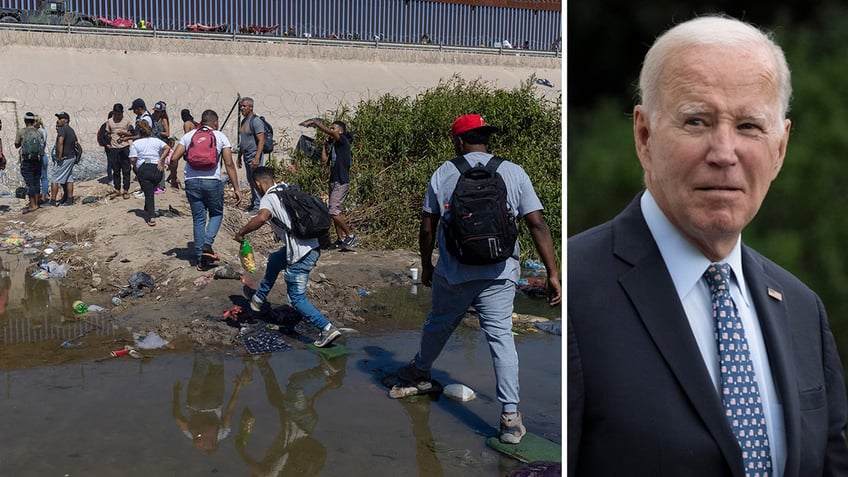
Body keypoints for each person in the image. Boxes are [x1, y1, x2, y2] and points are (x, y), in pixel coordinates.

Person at [567, 16, 848, 477]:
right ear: (644, 137)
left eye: (749, 126)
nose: (723, 152)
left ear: (780, 148)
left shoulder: (803, 310)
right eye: (696, 121)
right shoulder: (578, 293)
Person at [396, 113, 561, 445]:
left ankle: (420, 372)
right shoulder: (513, 172)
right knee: (501, 339)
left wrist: (427, 265)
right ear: (486, 138)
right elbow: (537, 224)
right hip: (500, 273)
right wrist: (553, 273)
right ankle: (511, 418)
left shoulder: (444, 173)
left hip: (454, 272)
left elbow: (428, 226)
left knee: (439, 322)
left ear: (458, 141)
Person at [233, 166, 342, 348]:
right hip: (310, 246)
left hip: (301, 255)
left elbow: (261, 218)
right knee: (276, 259)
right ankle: (259, 299)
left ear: (258, 184)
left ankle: (327, 328)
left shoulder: (268, 198)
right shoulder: (285, 188)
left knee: (297, 298)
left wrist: (241, 233)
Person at [168, 109, 242, 271]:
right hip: (212, 181)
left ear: (201, 121)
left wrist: (173, 177)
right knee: (216, 214)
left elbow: (174, 158)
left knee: (199, 219)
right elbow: (229, 163)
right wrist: (237, 188)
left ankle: (201, 259)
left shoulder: (189, 136)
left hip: (192, 182)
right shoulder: (220, 136)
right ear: (215, 122)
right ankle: (207, 244)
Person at [172, 348, 252, 453]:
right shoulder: (191, 435)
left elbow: (229, 412)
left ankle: (209, 348)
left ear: (216, 444)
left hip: (213, 402)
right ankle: (200, 346)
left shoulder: (221, 434)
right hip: (193, 403)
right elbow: (177, 417)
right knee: (199, 369)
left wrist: (237, 388)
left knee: (217, 368)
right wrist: (176, 392)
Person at [301, 118, 357, 249]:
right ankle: (340, 238)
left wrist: (315, 123)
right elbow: (324, 161)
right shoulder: (335, 146)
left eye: (333, 128)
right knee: (334, 211)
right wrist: (325, 146)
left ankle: (350, 236)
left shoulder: (343, 141)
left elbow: (331, 133)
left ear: (341, 131)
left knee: (333, 211)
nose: (331, 131)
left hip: (341, 181)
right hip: (333, 180)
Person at [129, 121, 169, 226]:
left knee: (149, 193)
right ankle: (147, 208)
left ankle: (151, 217)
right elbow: (167, 148)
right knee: (149, 190)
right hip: (157, 169)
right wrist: (160, 160)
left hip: (144, 169)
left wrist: (135, 166)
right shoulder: (157, 141)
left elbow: (133, 159)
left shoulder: (135, 143)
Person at [237, 97, 266, 215]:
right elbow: (242, 140)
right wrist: (239, 156)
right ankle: (254, 203)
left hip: (254, 155)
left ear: (251, 107)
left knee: (256, 181)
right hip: (246, 155)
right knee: (251, 180)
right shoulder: (244, 121)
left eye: (244, 106)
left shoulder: (256, 121)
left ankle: (258, 206)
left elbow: (261, 140)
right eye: (241, 106)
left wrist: (257, 158)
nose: (242, 108)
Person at [14, 112, 44, 212]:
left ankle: (32, 205)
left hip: (26, 161)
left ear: (25, 121)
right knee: (36, 182)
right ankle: (36, 203)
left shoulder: (21, 132)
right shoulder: (39, 132)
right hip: (38, 160)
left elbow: (16, 145)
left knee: (30, 183)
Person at [106, 103, 134, 199]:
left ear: (122, 113)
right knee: (116, 170)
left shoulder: (127, 121)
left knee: (126, 170)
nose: (117, 116)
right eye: (116, 114)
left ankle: (126, 190)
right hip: (114, 149)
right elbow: (107, 133)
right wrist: (111, 140)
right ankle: (117, 189)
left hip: (124, 148)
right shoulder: (109, 122)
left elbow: (132, 133)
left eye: (119, 114)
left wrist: (124, 133)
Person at [50, 111, 78, 206]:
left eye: (60, 118)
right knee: (69, 178)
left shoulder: (63, 129)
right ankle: (69, 200)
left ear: (66, 120)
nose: (58, 121)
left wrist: (59, 156)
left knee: (55, 178)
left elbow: (60, 142)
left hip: (64, 158)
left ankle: (53, 201)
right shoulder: (71, 130)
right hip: (71, 157)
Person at [34, 116, 49, 202]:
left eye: (35, 121)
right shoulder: (42, 131)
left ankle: (44, 196)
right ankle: (40, 194)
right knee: (39, 177)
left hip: (41, 156)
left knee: (43, 177)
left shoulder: (41, 132)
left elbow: (41, 145)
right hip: (41, 156)